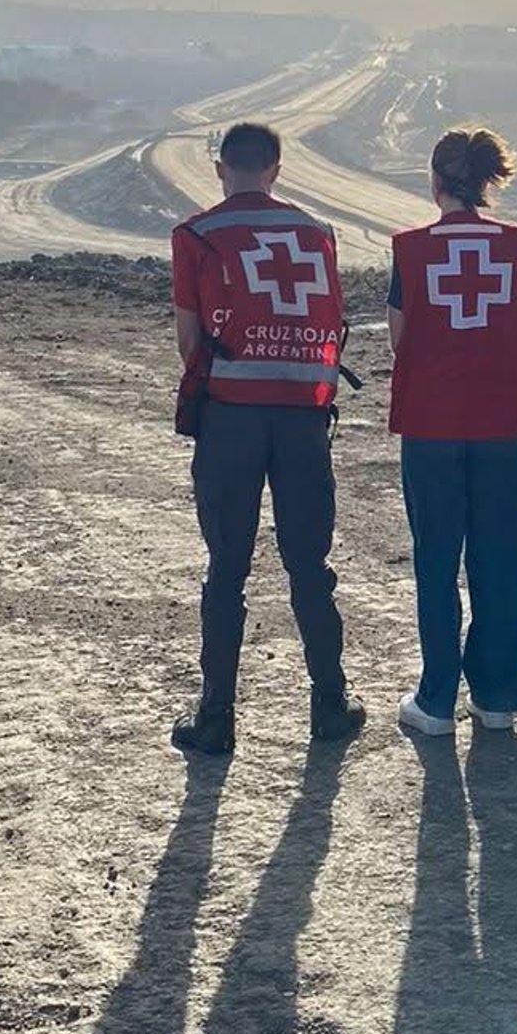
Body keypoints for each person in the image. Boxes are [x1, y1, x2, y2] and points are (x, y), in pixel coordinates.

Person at [169, 121, 366, 755]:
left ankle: (217, 720)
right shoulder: (319, 233)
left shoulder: (197, 234)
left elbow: (190, 340)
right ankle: (330, 704)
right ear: (277, 169)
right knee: (309, 565)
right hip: (305, 419)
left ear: (221, 168)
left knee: (227, 566)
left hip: (231, 419)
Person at [387, 128, 517, 736]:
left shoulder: (410, 250)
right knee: (502, 558)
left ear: (435, 181)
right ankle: (498, 696)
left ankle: (436, 699)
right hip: (502, 424)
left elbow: (403, 343)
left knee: (437, 559)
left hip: (431, 425)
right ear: (485, 181)